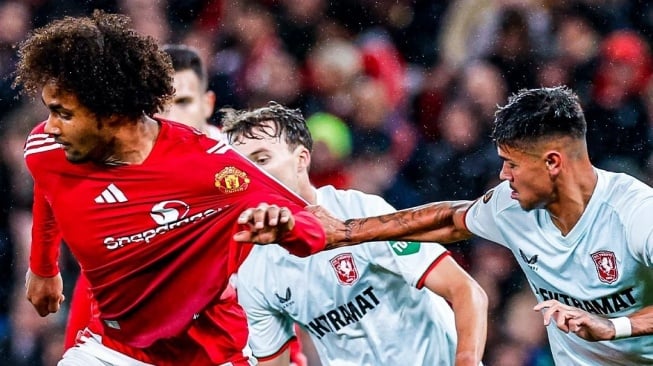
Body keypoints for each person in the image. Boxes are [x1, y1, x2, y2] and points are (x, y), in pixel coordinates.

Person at [17, 11, 326, 366]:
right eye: (165, 104)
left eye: (184, 102)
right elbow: (49, 180)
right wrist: (43, 267)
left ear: (207, 104)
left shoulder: (226, 170)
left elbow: (303, 240)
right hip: (118, 349)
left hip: (215, 348)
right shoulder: (64, 148)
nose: (51, 127)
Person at [303, 86, 653, 365]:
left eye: (511, 164)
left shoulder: (634, 212)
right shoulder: (512, 206)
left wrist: (614, 327)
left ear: (552, 162)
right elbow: (447, 219)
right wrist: (347, 232)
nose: (503, 175)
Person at [224, 102, 488, 365]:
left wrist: (465, 361)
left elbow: (465, 289)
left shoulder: (359, 212)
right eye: (242, 168)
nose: (252, 176)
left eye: (262, 160)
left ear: (301, 160)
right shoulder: (253, 271)